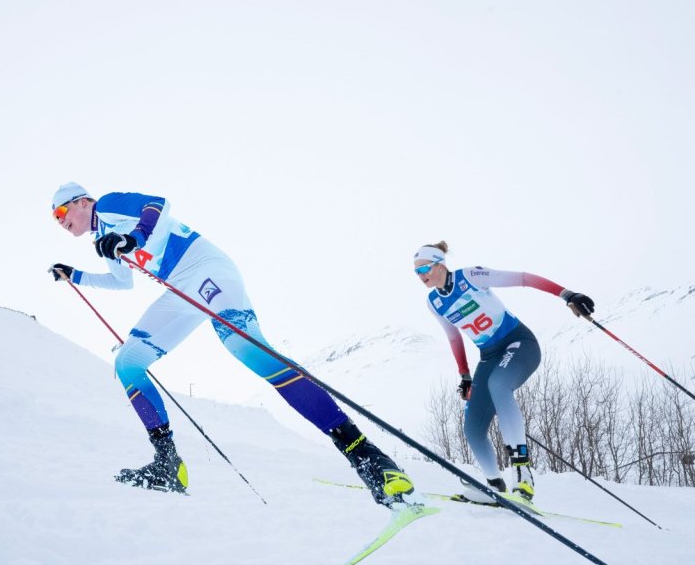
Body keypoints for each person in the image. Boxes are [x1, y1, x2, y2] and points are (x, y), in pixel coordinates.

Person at [49, 182, 414, 506]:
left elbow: (158, 204)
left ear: (82, 202)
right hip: (178, 290)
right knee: (128, 362)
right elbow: (122, 282)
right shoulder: (102, 241)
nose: (60, 221)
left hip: (206, 270)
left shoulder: (108, 205)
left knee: (248, 349)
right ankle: (167, 464)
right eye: (55, 219)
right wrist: (74, 275)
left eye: (62, 212)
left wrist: (135, 238)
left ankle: (367, 456)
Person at [413, 241, 594, 502]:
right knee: (472, 428)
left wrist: (567, 295)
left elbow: (523, 278)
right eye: (416, 272)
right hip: (488, 356)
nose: (420, 275)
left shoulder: (471, 276)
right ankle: (494, 486)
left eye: (424, 269)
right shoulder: (434, 302)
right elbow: (454, 337)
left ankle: (522, 473)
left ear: (440, 265)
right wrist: (465, 375)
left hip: (519, 343)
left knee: (498, 384)